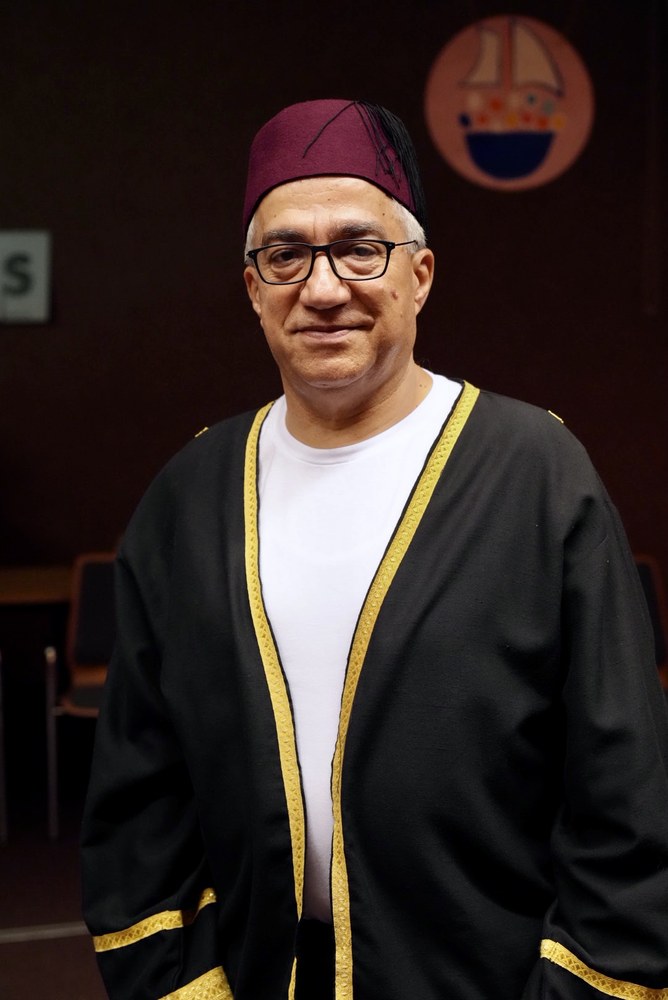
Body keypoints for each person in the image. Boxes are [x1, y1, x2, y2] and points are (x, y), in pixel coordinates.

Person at [80, 99, 668, 1000]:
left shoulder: (536, 474)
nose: (323, 289)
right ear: (253, 288)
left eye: (360, 248)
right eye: (286, 255)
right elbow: (138, 798)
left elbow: (624, 789)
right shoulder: (190, 496)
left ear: (420, 275)